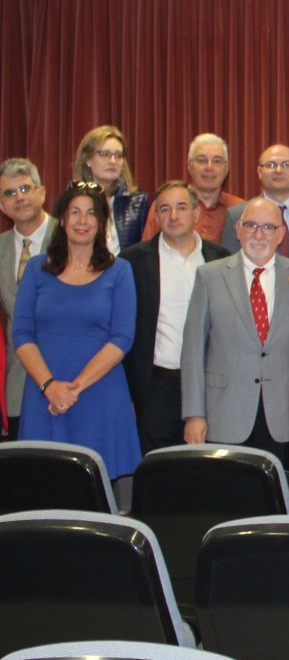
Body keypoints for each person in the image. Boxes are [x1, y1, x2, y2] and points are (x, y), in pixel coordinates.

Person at [13, 182, 141, 488]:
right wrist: (50, 386)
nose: (83, 220)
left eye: (91, 213)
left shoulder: (120, 271)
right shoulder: (37, 268)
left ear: (102, 222)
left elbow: (122, 338)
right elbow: (22, 333)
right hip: (44, 395)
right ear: (62, 219)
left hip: (99, 395)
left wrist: (73, 390)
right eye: (75, 212)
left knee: (97, 494)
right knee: (43, 489)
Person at [182, 198, 289, 470]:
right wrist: (194, 414)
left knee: (279, 491)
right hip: (224, 412)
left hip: (284, 412)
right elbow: (193, 350)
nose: (258, 234)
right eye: (251, 225)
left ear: (281, 234)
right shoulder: (209, 276)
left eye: (268, 227)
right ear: (238, 230)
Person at [121, 181, 231, 453]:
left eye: (181, 207)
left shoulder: (221, 259)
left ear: (196, 213)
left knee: (207, 466)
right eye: (164, 209)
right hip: (157, 387)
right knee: (159, 468)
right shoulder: (133, 262)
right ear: (156, 217)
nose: (173, 216)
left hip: (211, 386)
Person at [0, 158, 56, 441]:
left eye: (25, 188)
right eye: (10, 193)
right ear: (2, 206)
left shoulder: (71, 237)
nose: (19, 197)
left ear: (42, 193)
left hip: (66, 377)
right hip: (17, 382)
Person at [221, 143, 289, 266]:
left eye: (286, 165)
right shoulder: (237, 214)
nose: (278, 170)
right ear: (259, 172)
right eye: (271, 165)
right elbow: (229, 265)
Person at [142, 133, 243, 242]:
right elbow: (148, 249)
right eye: (202, 160)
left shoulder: (240, 209)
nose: (209, 167)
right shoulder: (166, 205)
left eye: (217, 161)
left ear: (226, 168)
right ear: (189, 166)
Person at [71, 125, 150, 254]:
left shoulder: (138, 201)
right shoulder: (72, 200)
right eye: (105, 154)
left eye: (118, 155)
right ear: (88, 159)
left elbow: (146, 250)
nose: (113, 161)